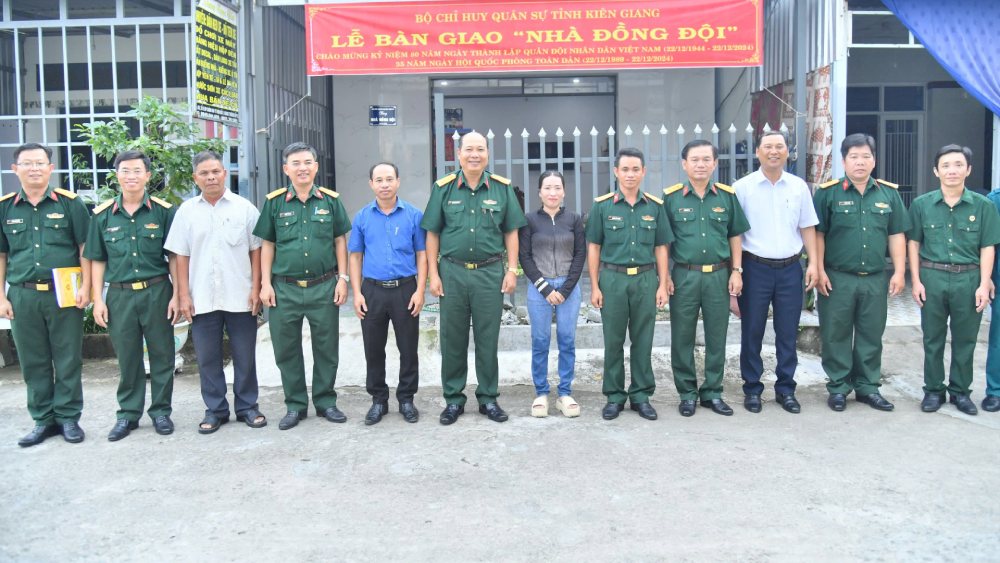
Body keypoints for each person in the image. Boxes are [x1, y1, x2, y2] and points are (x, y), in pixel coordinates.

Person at [421, 131, 527, 425]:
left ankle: (488, 398)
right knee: (452, 339)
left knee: (487, 338)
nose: (474, 155)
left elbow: (511, 232)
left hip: (489, 273)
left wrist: (511, 269)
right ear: (459, 154)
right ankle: (453, 400)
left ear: (487, 154)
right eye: (469, 149)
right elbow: (432, 233)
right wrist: (434, 274)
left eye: (480, 149)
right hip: (452, 273)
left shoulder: (501, 189)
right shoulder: (443, 189)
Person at [164, 150, 266, 434]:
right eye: (204, 173)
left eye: (216, 171)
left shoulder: (244, 208)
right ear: (196, 178)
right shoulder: (186, 212)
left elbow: (256, 251)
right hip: (202, 298)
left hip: (241, 295)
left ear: (225, 173)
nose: (211, 177)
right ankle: (215, 410)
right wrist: (182, 294)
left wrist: (256, 289)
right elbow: (180, 256)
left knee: (245, 355)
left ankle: (247, 406)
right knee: (207, 358)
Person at [253, 142, 352, 430]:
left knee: (326, 348)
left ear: (316, 167)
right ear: (286, 169)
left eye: (307, 162)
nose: (302, 168)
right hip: (284, 289)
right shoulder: (274, 203)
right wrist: (265, 284)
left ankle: (325, 402)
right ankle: (295, 405)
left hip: (323, 286)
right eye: (295, 163)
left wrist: (342, 279)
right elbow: (267, 245)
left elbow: (339, 241)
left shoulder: (331, 201)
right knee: (287, 350)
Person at [86, 150, 180, 441]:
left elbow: (175, 256)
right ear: (117, 175)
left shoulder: (164, 212)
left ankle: (161, 411)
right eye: (125, 171)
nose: (131, 176)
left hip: (157, 291)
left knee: (163, 354)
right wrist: (97, 299)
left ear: (148, 176)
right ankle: (128, 414)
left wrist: (178, 294)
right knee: (127, 358)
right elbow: (97, 259)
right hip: (119, 296)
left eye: (137, 171)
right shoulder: (102, 216)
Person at [1, 143, 91, 447]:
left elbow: (84, 250)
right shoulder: (5, 207)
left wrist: (87, 288)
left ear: (51, 168)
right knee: (32, 360)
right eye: (27, 164)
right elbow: (1, 255)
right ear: (15, 170)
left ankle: (67, 418)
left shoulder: (70, 203)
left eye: (40, 163)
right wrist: (1, 297)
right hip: (22, 295)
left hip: (63, 293)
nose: (34, 169)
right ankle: (42, 420)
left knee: (67, 358)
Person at [813, 134, 910, 412]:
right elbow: (818, 235)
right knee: (836, 334)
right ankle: (839, 387)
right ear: (844, 161)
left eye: (866, 156)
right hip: (838, 277)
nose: (860, 162)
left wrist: (899, 272)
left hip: (875, 278)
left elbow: (896, 235)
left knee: (871, 334)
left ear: (874, 160)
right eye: (854, 157)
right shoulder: (828, 193)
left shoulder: (888, 194)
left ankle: (868, 387)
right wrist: (818, 269)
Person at [907, 144, 1000, 416]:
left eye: (958, 165)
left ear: (968, 170)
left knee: (965, 339)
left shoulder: (983, 206)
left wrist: (984, 283)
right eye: (946, 165)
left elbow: (987, 247)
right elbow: (913, 243)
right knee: (932, 339)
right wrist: (917, 280)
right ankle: (933, 391)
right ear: (936, 170)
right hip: (932, 277)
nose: (952, 170)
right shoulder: (922, 204)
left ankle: (960, 392)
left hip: (968, 279)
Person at [733, 130, 819, 414]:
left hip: (790, 269)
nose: (773, 151)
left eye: (779, 146)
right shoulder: (742, 187)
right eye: (767, 146)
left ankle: (786, 389)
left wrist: (814, 264)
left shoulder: (798, 187)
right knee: (752, 331)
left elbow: (807, 226)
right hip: (754, 268)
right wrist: (735, 273)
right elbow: (734, 233)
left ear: (787, 152)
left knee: (786, 332)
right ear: (758, 152)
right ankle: (752, 389)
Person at [663, 140, 750, 417]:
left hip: (719, 276)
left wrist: (737, 270)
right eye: (694, 160)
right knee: (682, 337)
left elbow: (735, 234)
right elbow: (662, 242)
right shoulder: (671, 198)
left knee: (717, 336)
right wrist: (663, 275)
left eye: (706, 160)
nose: (700, 165)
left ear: (714, 163)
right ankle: (687, 393)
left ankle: (713, 392)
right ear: (684, 164)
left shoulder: (726, 196)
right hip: (684, 275)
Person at [586, 147, 673, 421]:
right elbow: (594, 248)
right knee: (613, 341)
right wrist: (595, 286)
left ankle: (640, 396)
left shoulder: (655, 207)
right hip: (612, 280)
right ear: (616, 172)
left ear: (643, 171)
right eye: (625, 169)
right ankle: (614, 397)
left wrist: (662, 283)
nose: (630, 174)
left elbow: (661, 247)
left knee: (643, 340)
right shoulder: (602, 206)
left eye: (636, 169)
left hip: (646, 280)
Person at [348, 161, 426, 425]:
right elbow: (355, 256)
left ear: (398, 181)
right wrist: (356, 293)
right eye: (379, 180)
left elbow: (422, 254)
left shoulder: (414, 215)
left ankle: (406, 399)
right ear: (371, 184)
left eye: (389, 179)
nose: (384, 184)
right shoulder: (362, 217)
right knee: (373, 348)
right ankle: (378, 400)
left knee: (408, 348)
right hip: (372, 291)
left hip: (405, 289)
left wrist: (420, 290)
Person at [518, 170, 586, 418]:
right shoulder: (530, 220)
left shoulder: (574, 220)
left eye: (557, 187)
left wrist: (565, 289)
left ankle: (565, 393)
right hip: (540, 289)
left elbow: (580, 255)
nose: (552, 192)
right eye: (547, 188)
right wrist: (545, 288)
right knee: (540, 341)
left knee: (567, 340)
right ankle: (541, 393)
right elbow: (524, 257)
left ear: (564, 191)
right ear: (539, 192)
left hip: (569, 287)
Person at [984, 188, 1000, 413]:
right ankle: (996, 391)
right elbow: (987, 243)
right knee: (998, 338)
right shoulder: (995, 200)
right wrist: (985, 278)